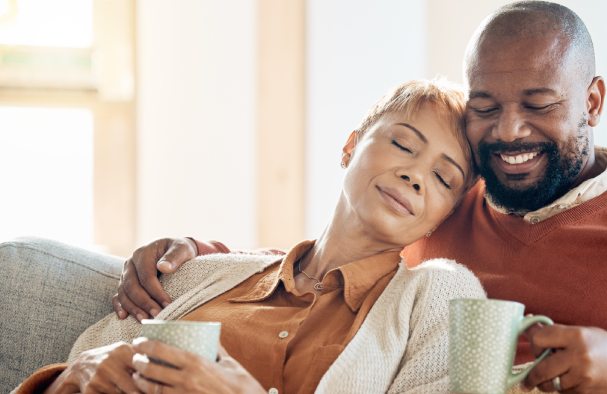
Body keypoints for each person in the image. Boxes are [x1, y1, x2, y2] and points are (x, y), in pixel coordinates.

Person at [112, 1, 607, 393]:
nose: (509, 131)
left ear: (593, 100)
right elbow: (336, 265)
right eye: (486, 105)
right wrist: (192, 258)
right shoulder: (446, 208)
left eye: (540, 104)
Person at [13, 78, 485, 394]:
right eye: (403, 144)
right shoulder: (203, 274)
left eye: (444, 179)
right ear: (350, 145)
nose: (417, 175)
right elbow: (87, 356)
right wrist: (75, 375)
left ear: (442, 216)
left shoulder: (437, 296)